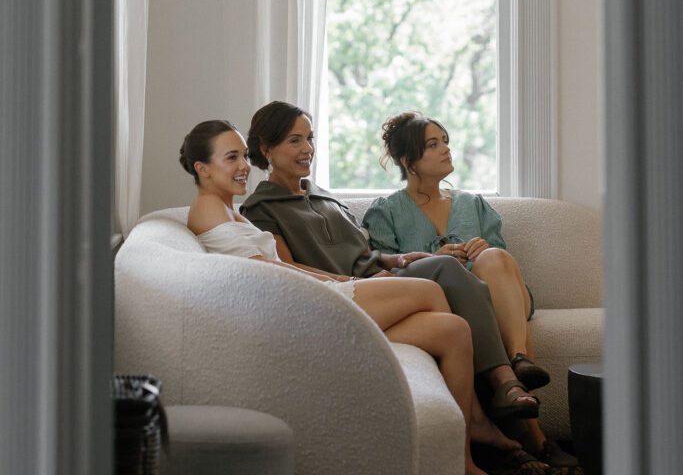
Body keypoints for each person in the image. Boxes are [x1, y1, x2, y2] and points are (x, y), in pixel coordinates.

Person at [240, 101, 561, 475]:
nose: (307, 148)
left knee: (453, 322)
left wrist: (396, 259)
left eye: (309, 138)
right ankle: (504, 380)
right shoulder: (260, 208)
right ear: (266, 148)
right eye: (294, 140)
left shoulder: (325, 198)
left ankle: (475, 434)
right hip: (352, 295)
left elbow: (366, 254)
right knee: (445, 266)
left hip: (380, 281)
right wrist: (355, 281)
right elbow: (288, 272)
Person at [179, 118, 501, 475]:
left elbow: (279, 267)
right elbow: (265, 272)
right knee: (428, 288)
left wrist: (342, 279)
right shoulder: (208, 207)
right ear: (202, 168)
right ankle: (475, 423)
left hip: (307, 295)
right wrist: (338, 285)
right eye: (231, 158)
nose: (243, 166)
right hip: (304, 310)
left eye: (243, 155)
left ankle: (462, 457)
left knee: (453, 331)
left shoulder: (229, 211)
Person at [363, 111, 580, 473]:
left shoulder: (472, 203)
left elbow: (506, 267)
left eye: (445, 141)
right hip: (446, 304)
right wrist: (435, 257)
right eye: (433, 144)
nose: (446, 149)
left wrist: (483, 249)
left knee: (495, 256)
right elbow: (386, 275)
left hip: (500, 297)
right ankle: (535, 434)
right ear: (408, 160)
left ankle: (518, 362)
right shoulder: (386, 211)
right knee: (482, 292)